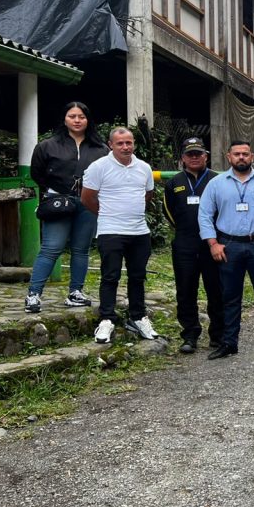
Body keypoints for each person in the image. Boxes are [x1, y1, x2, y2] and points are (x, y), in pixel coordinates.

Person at [198, 140, 254, 361]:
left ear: (252, 156)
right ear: (228, 157)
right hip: (229, 246)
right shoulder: (217, 184)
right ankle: (229, 343)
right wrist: (213, 244)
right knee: (230, 296)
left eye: (245, 154)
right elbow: (205, 214)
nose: (241, 157)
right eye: (236, 154)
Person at [24, 101, 107, 313]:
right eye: (72, 116)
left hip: (88, 203)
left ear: (88, 119)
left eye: (81, 116)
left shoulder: (100, 148)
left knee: (81, 249)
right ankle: (33, 294)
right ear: (64, 119)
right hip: (58, 201)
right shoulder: (47, 145)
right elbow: (37, 173)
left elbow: (106, 175)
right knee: (51, 248)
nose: (77, 120)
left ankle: (75, 292)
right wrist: (56, 189)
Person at [80, 127, 158, 344]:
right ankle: (106, 318)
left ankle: (138, 316)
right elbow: (87, 198)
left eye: (129, 143)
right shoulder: (98, 167)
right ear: (111, 144)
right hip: (110, 231)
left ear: (134, 144)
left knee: (137, 276)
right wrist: (108, 214)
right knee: (110, 276)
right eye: (120, 143)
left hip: (139, 232)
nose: (125, 147)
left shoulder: (143, 167)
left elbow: (148, 195)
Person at [162, 136, 224, 354]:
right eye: (190, 154)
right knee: (186, 290)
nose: (195, 157)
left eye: (199, 153)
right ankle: (189, 334)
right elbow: (168, 211)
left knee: (216, 289)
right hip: (185, 243)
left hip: (213, 244)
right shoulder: (174, 182)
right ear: (183, 158)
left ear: (206, 156)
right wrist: (184, 231)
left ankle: (217, 335)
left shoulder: (217, 180)